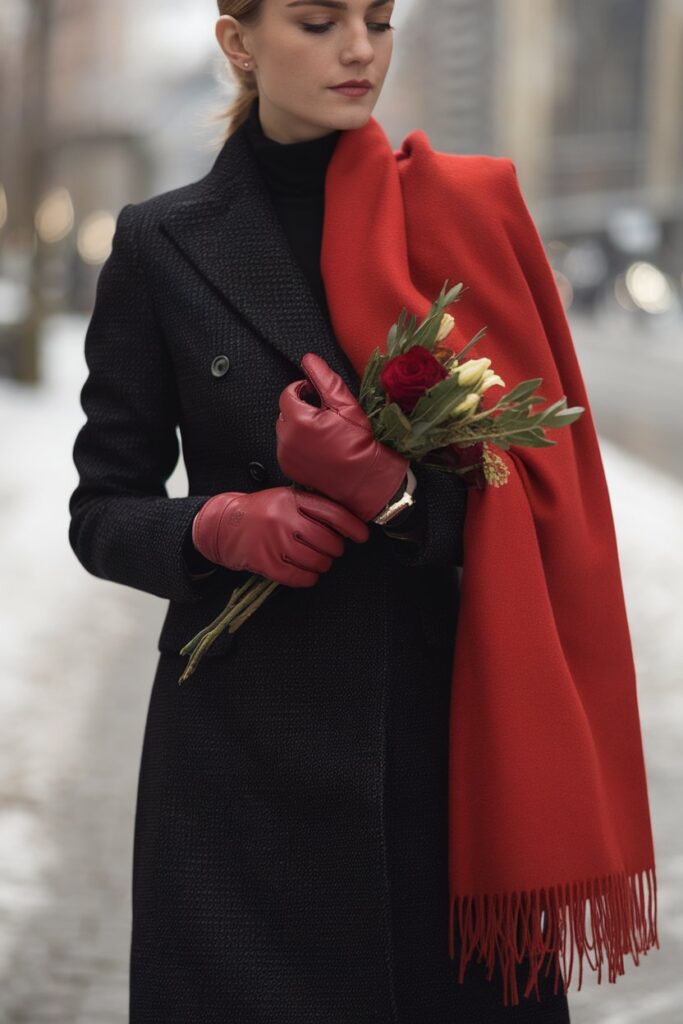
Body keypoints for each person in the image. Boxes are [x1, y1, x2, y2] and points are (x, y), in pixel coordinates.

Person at [67, 2, 584, 1020]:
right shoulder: (161, 244)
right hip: (240, 776)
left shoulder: (459, 219)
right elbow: (101, 508)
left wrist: (390, 497)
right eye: (317, 20)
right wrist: (216, 525)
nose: (359, 49)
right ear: (238, 41)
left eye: (378, 20)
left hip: (441, 752)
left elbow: (539, 492)